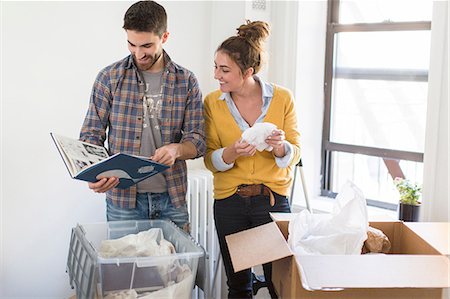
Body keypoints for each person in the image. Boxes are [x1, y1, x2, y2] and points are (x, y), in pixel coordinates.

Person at [80, 0, 205, 232]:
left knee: (177, 268)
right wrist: (94, 171)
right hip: (123, 202)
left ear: (164, 37)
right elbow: (91, 135)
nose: (138, 53)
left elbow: (198, 140)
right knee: (127, 269)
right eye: (131, 44)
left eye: (146, 45)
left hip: (172, 199)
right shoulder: (109, 77)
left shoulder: (186, 81)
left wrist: (176, 149)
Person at [204, 20, 301, 298]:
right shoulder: (213, 102)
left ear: (247, 71)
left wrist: (279, 148)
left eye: (224, 70)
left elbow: (295, 151)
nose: (216, 75)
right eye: (215, 67)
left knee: (278, 284)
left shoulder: (282, 98)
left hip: (270, 202)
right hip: (230, 203)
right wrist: (232, 152)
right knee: (238, 286)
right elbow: (210, 159)